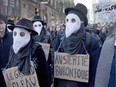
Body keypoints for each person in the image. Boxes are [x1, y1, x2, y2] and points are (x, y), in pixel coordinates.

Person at [54, 3, 101, 87]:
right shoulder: (60, 37)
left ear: (81, 22)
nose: (69, 24)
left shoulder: (92, 41)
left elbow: (94, 70)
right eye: (67, 20)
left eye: (73, 20)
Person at [4, 18, 51, 87]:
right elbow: (10, 68)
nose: (17, 37)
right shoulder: (12, 49)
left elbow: (44, 77)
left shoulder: (37, 50)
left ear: (29, 34)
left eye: (22, 34)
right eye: (15, 34)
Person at [32, 15, 53, 85]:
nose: (37, 27)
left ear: (42, 25)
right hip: (34, 61)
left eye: (39, 25)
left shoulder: (48, 35)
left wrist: (51, 60)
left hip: (45, 61)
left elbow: (51, 48)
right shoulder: (30, 35)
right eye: (35, 25)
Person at [0, 13, 13, 87]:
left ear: (5, 24)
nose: (0, 26)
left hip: (10, 75)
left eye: (1, 23)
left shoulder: (12, 37)